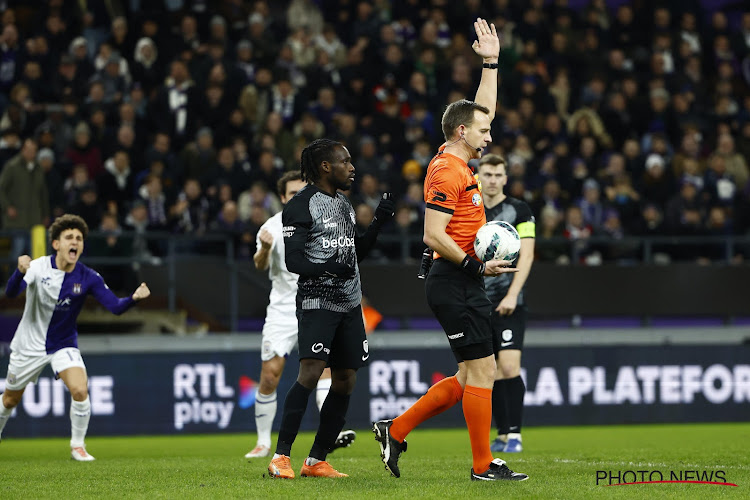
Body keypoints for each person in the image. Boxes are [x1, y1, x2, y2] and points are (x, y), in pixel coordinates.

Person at [372, 18, 528, 482]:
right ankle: (483, 466)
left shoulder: (460, 159)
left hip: (461, 280)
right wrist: (475, 263)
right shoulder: (447, 173)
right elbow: (432, 235)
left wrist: (491, 62)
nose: (489, 135)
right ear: (461, 132)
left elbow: (483, 109)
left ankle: (394, 430)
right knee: (483, 372)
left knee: (466, 380)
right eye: (482, 132)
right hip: (454, 280)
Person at [267, 138, 393, 479]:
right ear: (325, 166)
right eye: (345, 162)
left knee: (345, 381)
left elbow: (354, 255)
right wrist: (327, 269)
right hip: (317, 303)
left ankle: (316, 460)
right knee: (309, 373)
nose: (352, 168)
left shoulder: (344, 204)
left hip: (350, 304)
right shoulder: (300, 205)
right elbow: (294, 261)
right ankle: (281, 457)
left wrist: (379, 223)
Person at [0, 214, 151, 460]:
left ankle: (77, 446)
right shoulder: (38, 267)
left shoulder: (88, 277)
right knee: (9, 400)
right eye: (69, 237)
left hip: (63, 344)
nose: (75, 242)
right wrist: (18, 272)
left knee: (80, 390)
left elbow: (114, 307)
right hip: (29, 345)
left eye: (79, 238)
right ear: (56, 244)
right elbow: (11, 292)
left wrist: (133, 299)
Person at [245, 170, 356, 459]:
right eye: (293, 194)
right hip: (283, 309)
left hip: (318, 302)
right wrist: (265, 250)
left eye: (303, 191)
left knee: (324, 368)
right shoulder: (270, 228)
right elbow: (258, 266)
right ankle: (262, 443)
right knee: (270, 375)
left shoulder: (326, 220)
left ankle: (331, 433)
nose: (300, 198)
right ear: (282, 198)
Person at [476, 154, 536, 453]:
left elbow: (527, 254)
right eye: (488, 174)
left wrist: (513, 293)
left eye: (498, 175)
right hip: (476, 300)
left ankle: (515, 434)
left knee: (510, 366)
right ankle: (501, 434)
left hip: (509, 299)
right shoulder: (469, 208)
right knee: (491, 371)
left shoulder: (519, 210)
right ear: (479, 175)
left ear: (505, 178)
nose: (493, 180)